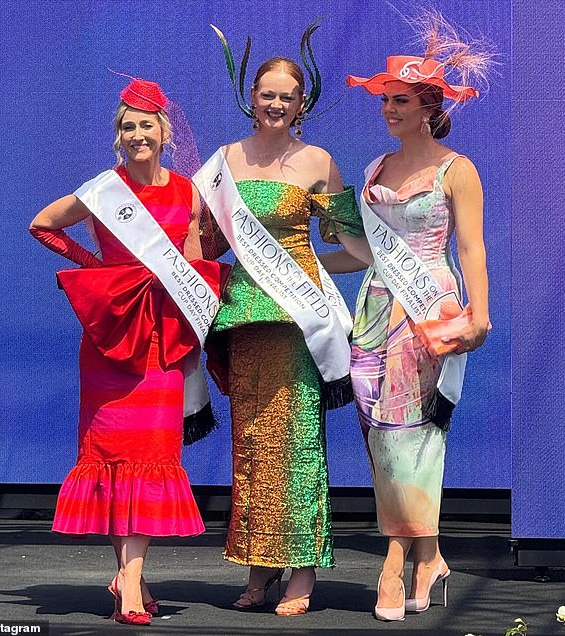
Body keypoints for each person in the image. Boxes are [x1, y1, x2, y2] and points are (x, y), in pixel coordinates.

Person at [29, 78, 227, 625]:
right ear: (119, 137)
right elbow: (43, 224)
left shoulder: (188, 192)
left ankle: (131, 576)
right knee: (116, 456)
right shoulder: (103, 189)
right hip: (112, 339)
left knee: (152, 454)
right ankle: (130, 576)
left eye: (146, 125)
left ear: (164, 132)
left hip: (161, 340)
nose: (137, 135)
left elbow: (189, 266)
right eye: (127, 127)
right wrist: (100, 274)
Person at [193, 23, 369, 616]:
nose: (274, 104)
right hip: (244, 318)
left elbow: (354, 247)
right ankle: (258, 568)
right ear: (252, 97)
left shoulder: (319, 161)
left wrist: (312, 269)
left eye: (285, 96)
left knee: (296, 447)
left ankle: (300, 577)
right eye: (265, 94)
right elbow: (205, 243)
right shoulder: (223, 164)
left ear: (302, 102)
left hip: (299, 323)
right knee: (252, 448)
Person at [333, 15, 493, 622]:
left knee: (412, 431)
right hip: (374, 308)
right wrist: (306, 257)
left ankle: (393, 563)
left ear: (428, 105)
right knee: (379, 432)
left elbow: (472, 248)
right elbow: (362, 253)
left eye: (400, 100)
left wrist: (480, 315)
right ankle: (431, 555)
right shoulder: (374, 169)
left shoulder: (458, 170)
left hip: (428, 312)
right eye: (385, 99)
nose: (389, 109)